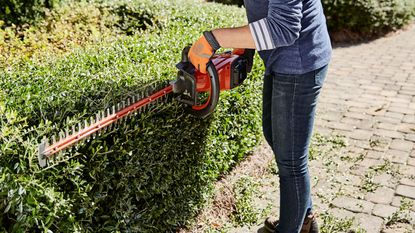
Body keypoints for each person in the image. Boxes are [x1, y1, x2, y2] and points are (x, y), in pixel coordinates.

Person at [188, 0, 332, 232]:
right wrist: (247, 44)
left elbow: (283, 29)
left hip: (299, 65)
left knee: (291, 161)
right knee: (274, 136)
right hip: (280, 59)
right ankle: (305, 221)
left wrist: (212, 39)